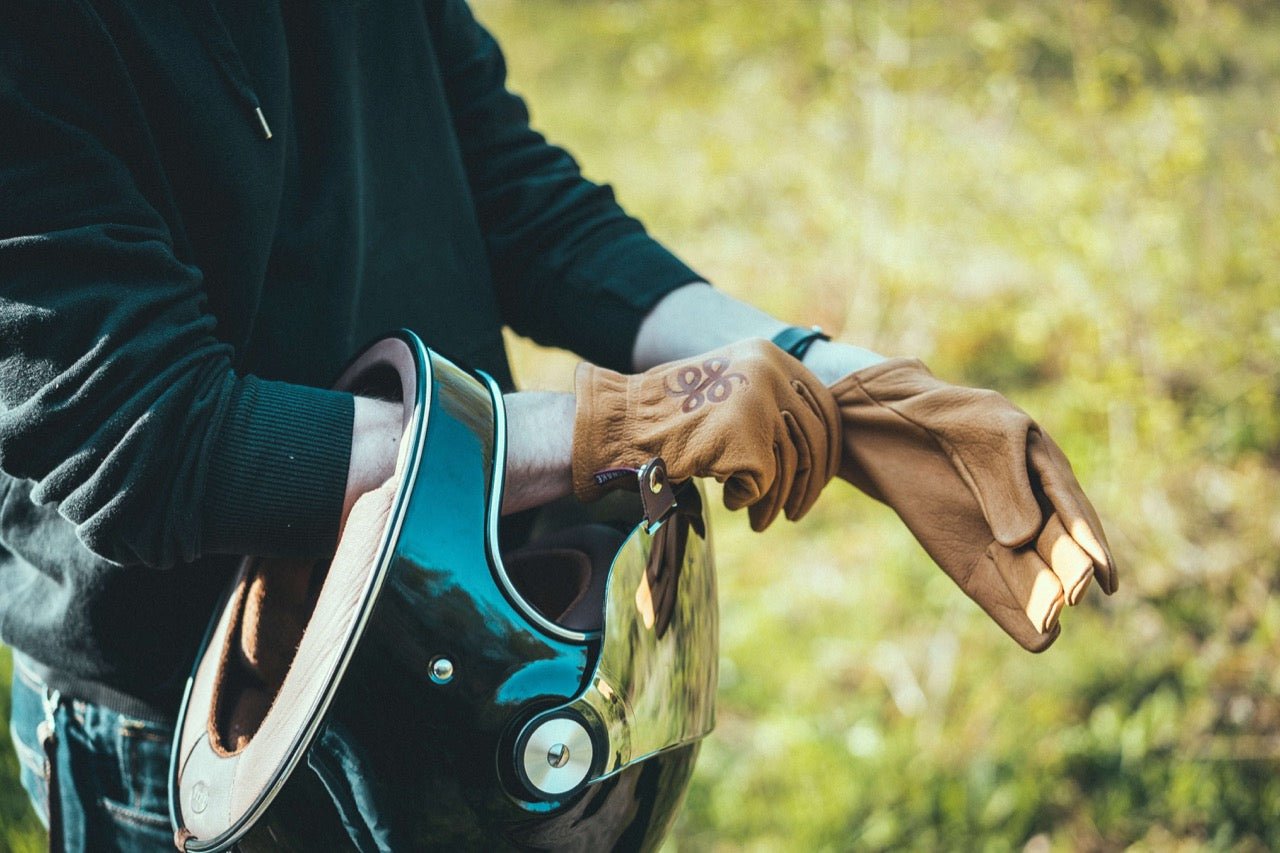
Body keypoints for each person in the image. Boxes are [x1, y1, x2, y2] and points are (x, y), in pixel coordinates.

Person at [0, 2, 1115, 850]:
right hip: (210, 726)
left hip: (458, 636)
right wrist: (617, 427)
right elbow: (156, 443)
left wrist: (830, 377)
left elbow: (513, 196)